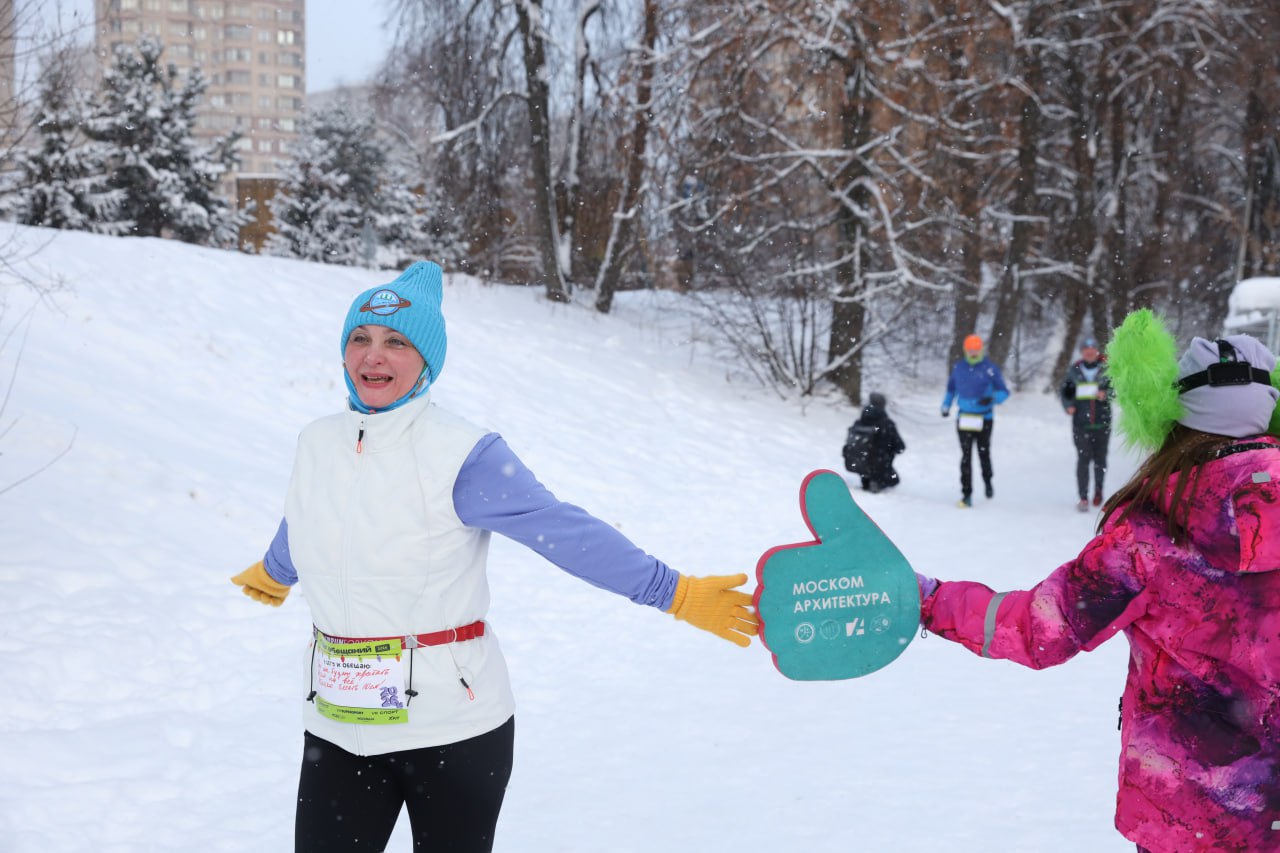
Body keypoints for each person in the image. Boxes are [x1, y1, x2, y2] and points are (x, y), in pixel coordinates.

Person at [229, 261, 759, 853]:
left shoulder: (463, 454)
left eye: (395, 343)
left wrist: (674, 591)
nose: (373, 357)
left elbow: (564, 531)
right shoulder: (317, 441)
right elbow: (308, 513)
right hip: (339, 724)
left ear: (426, 360)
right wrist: (276, 569)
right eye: (361, 338)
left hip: (453, 727)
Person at [916, 310, 1280, 853]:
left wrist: (931, 600)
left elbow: (1040, 629)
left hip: (1190, 814)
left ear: (1173, 412)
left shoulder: (1151, 529)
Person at [940, 334, 1010, 507]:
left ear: (981, 350)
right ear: (965, 350)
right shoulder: (959, 368)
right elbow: (951, 389)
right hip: (964, 418)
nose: (973, 353)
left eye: (976, 350)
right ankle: (966, 494)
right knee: (966, 456)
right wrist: (946, 406)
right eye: (970, 350)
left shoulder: (989, 368)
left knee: (983, 453)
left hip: (984, 418)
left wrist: (993, 398)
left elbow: (1004, 392)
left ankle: (987, 480)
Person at [1060, 336, 1112, 511]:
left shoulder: (1106, 369)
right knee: (1083, 459)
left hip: (1102, 423)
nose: (1089, 353)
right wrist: (1068, 406)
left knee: (1100, 460)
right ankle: (1083, 497)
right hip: (1081, 424)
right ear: (1082, 352)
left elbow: (1116, 391)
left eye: (1092, 350)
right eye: (1086, 350)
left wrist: (1106, 394)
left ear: (1096, 352)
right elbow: (1065, 391)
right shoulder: (1074, 370)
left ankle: (1098, 491)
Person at [842, 391, 906, 493]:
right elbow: (900, 447)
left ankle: (867, 479)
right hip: (879, 464)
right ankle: (876, 481)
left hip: (860, 463)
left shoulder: (860, 421)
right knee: (894, 480)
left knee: (873, 461)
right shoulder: (887, 424)